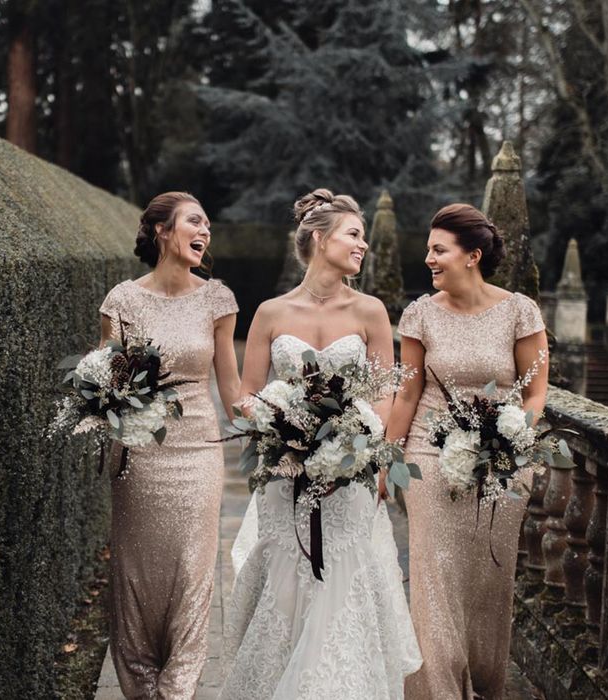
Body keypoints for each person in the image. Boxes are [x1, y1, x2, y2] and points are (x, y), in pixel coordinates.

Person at [219, 188, 421, 700]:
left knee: (345, 582)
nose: (363, 246)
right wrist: (286, 428)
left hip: (350, 477)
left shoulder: (372, 311)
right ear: (319, 238)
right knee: (289, 579)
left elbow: (383, 398)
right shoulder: (269, 312)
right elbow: (248, 397)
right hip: (287, 478)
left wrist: (358, 450)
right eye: (354, 235)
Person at [387, 203, 548, 699]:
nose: (429, 259)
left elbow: (536, 391)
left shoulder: (520, 310)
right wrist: (387, 458)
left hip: (501, 467)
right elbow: (408, 393)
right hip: (429, 462)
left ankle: (483, 686)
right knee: (434, 586)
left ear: (472, 255)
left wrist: (512, 435)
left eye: (439, 250)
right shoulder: (418, 314)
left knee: (487, 589)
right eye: (428, 250)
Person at [98, 192, 240, 699]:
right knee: (136, 574)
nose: (204, 232)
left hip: (199, 451)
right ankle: (138, 683)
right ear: (162, 230)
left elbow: (233, 391)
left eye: (207, 225)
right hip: (138, 454)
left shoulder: (218, 299)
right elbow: (105, 379)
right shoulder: (122, 300)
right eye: (194, 222)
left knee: (193, 572)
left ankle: (177, 691)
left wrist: (293, 422)